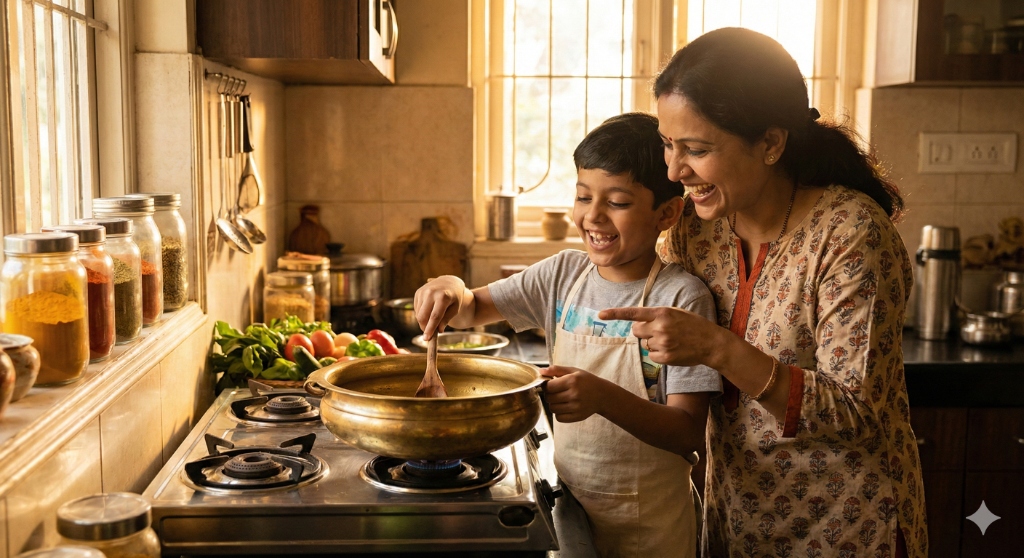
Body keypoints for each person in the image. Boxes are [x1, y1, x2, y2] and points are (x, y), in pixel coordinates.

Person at [599, 28, 928, 558]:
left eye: (696, 150)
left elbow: (855, 410)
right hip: (737, 515)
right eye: (667, 144)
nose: (674, 170)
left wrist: (715, 348)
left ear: (771, 144)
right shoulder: (698, 228)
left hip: (845, 525)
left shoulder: (850, 233)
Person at [414, 112, 722, 557]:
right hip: (571, 502)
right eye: (582, 196)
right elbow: (470, 309)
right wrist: (449, 287)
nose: (592, 216)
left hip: (650, 521)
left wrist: (603, 398)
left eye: (616, 202)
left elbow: (688, 432)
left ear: (667, 213)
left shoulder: (682, 298)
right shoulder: (562, 274)